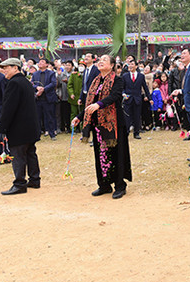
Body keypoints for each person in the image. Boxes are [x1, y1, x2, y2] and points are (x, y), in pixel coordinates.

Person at [72, 54, 132, 199]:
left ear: (112, 65)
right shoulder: (95, 81)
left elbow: (115, 96)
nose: (100, 62)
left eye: (104, 60)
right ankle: (104, 185)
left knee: (116, 154)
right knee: (101, 156)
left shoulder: (117, 80)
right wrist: (79, 118)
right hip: (98, 125)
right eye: (99, 60)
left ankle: (119, 186)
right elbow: (89, 102)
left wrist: (99, 104)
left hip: (114, 124)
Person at [0, 58, 41, 195]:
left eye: (6, 67)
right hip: (30, 126)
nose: (4, 70)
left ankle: (20, 183)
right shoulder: (25, 82)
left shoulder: (14, 83)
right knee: (30, 153)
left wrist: (2, 127)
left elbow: (9, 108)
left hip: (19, 127)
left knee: (18, 155)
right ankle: (34, 179)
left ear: (15, 68)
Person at [121, 57, 151, 140]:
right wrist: (123, 94)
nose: (130, 66)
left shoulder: (141, 76)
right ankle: (126, 132)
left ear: (136, 66)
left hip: (137, 99)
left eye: (132, 64)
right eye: (129, 64)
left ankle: (136, 133)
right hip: (128, 99)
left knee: (137, 116)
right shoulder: (125, 76)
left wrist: (149, 98)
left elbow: (145, 87)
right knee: (127, 117)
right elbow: (122, 87)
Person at [32, 58, 58, 140]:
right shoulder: (35, 74)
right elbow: (32, 83)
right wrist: (37, 88)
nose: (40, 63)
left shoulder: (51, 73)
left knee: (50, 116)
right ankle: (37, 135)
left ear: (47, 64)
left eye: (42, 62)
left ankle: (52, 134)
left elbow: (53, 83)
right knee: (37, 118)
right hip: (38, 98)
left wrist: (44, 89)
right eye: (39, 62)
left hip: (48, 98)